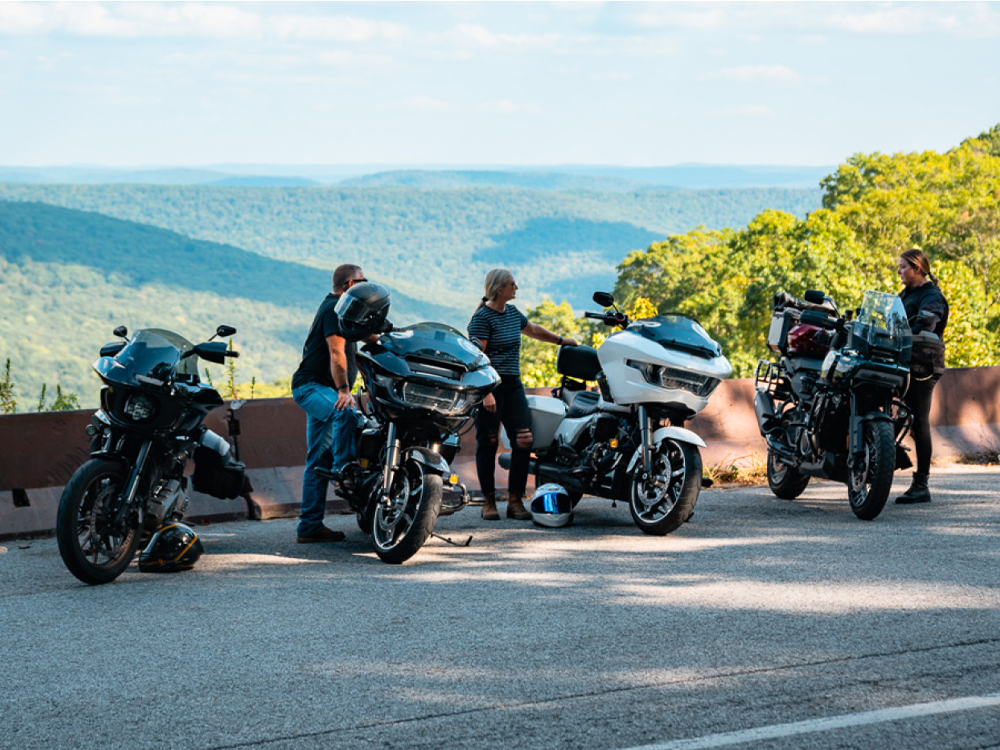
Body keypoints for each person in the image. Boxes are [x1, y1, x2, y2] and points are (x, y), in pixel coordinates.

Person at [468, 269, 579, 521]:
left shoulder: (512, 314)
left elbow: (534, 330)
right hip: (490, 385)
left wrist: (561, 340)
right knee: (488, 441)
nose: (516, 287)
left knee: (524, 439)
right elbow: (476, 358)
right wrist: (485, 392)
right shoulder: (482, 318)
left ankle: (515, 500)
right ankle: (488, 501)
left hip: (513, 384)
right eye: (512, 284)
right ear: (499, 289)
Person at [290, 264, 367, 542]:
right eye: (362, 281)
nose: (365, 286)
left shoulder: (344, 311)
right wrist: (344, 390)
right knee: (347, 413)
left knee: (317, 460)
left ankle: (309, 527)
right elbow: (337, 354)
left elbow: (363, 343)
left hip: (318, 388)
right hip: (312, 387)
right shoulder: (334, 308)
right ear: (348, 285)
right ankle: (345, 470)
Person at [895, 247, 948, 505]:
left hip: (923, 367)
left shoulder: (931, 296)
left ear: (917, 268)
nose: (899, 271)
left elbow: (929, 322)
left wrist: (913, 329)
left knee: (919, 423)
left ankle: (921, 484)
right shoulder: (906, 294)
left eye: (903, 266)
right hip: (902, 362)